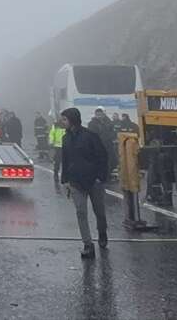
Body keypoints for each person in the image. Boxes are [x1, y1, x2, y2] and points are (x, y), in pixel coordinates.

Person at [60, 107, 109, 258]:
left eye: (64, 119)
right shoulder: (65, 138)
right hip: (76, 182)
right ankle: (88, 244)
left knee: (99, 212)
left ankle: (102, 233)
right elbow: (66, 160)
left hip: (93, 181)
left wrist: (100, 177)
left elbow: (103, 156)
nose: (62, 122)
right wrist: (65, 180)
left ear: (72, 119)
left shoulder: (90, 136)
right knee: (81, 212)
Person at [88, 107, 117, 179]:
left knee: (111, 160)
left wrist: (111, 137)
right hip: (98, 145)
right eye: (98, 115)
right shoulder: (92, 123)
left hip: (108, 145)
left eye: (101, 114)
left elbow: (112, 132)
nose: (99, 116)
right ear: (95, 115)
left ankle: (108, 175)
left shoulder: (108, 122)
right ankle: (102, 176)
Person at [49, 113, 66, 194]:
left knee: (66, 162)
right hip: (58, 146)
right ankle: (56, 173)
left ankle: (65, 175)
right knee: (57, 162)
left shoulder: (67, 124)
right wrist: (51, 142)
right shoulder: (56, 125)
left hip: (66, 146)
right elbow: (52, 134)